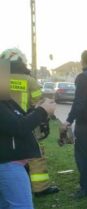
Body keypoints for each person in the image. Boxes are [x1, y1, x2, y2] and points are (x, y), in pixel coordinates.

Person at [0, 59, 56, 209]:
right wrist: (42, 111)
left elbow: (19, 119)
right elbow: (18, 127)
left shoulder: (5, 102)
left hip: (9, 163)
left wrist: (36, 111)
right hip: (8, 165)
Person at [0, 48, 60, 197]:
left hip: (5, 123)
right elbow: (39, 102)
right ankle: (40, 188)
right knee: (36, 155)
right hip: (26, 122)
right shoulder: (29, 81)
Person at [61, 50, 87, 198]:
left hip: (85, 124)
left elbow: (79, 103)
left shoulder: (83, 77)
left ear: (82, 61)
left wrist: (68, 120)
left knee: (82, 156)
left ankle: (86, 189)